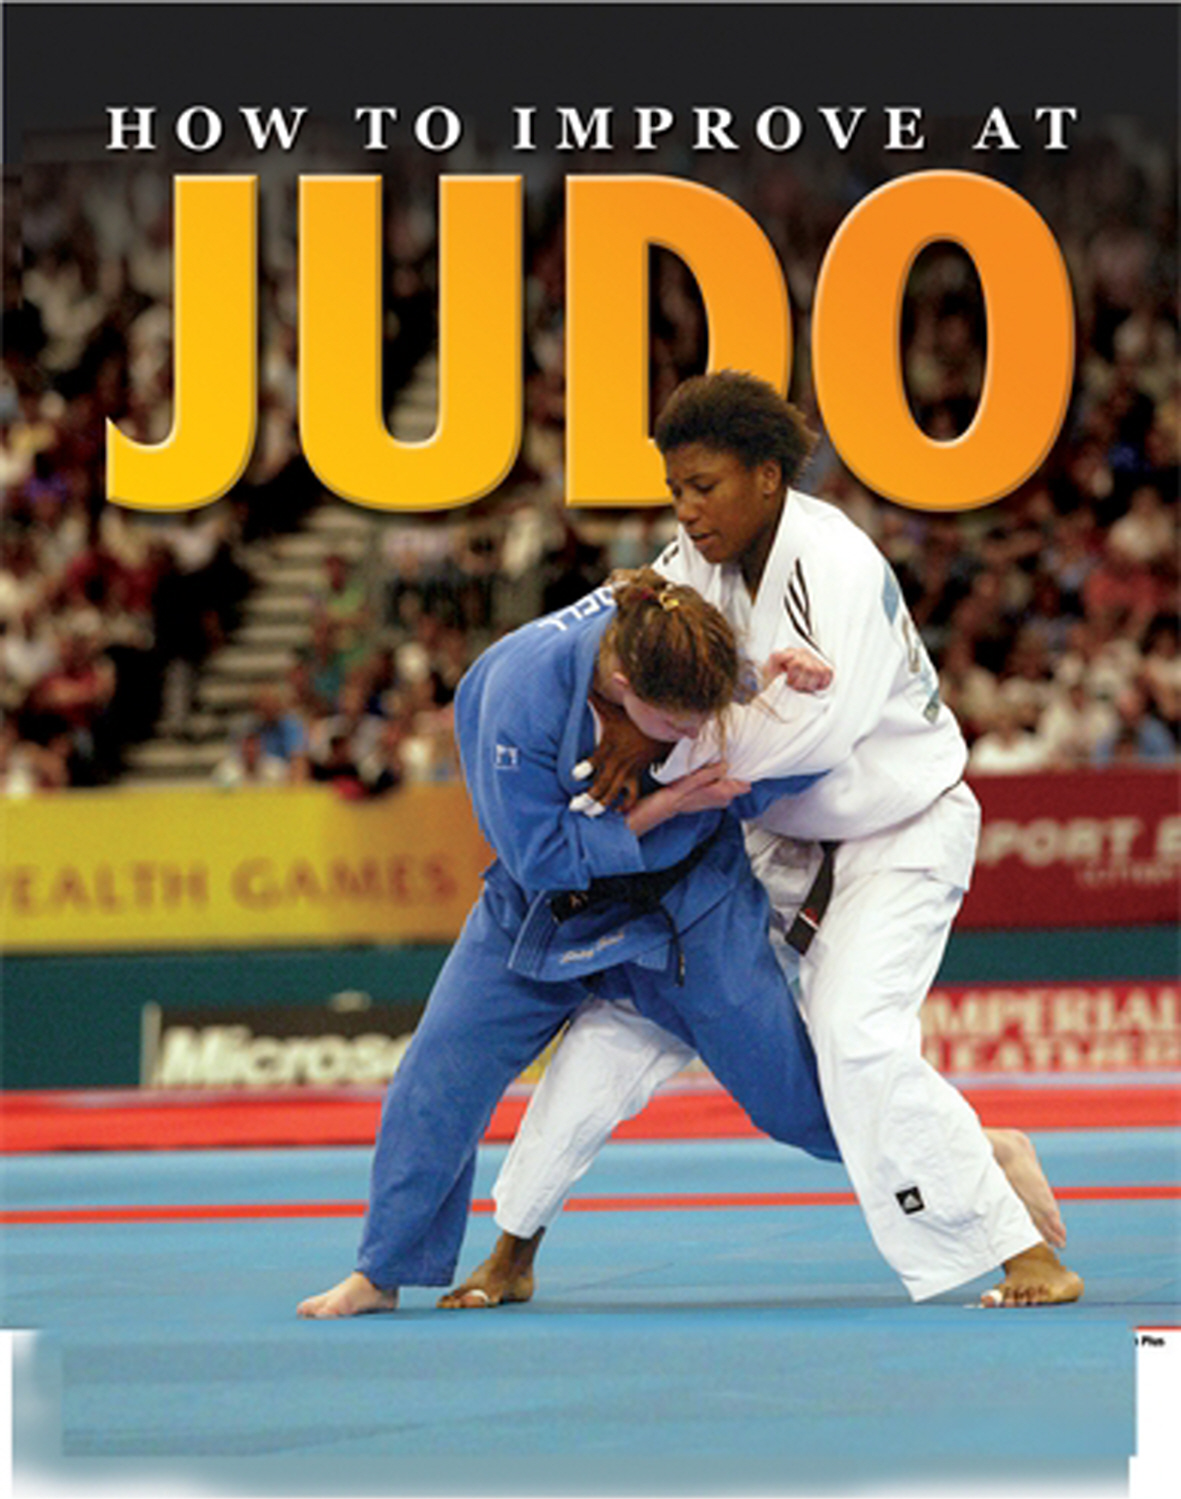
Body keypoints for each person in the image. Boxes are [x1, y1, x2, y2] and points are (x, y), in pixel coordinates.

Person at [446, 371, 1083, 1312]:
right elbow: (638, 646)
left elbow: (811, 738)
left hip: (894, 834)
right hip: (768, 840)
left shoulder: (834, 564)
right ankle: (512, 1245)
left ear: (766, 477)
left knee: (854, 1038)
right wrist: (620, 710)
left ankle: (1025, 1254)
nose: (686, 508)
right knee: (623, 1017)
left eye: (704, 486)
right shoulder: (690, 563)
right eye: (675, 489)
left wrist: (656, 752)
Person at [297, 567, 842, 1319]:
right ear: (620, 684)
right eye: (673, 723)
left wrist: (772, 678)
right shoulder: (517, 696)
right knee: (439, 1074)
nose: (692, 736)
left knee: (794, 1102)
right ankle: (382, 1270)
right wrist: (664, 804)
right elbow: (540, 859)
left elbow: (743, 713)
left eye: (700, 720)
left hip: (688, 906)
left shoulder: (665, 632)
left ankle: (964, 1157)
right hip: (544, 908)